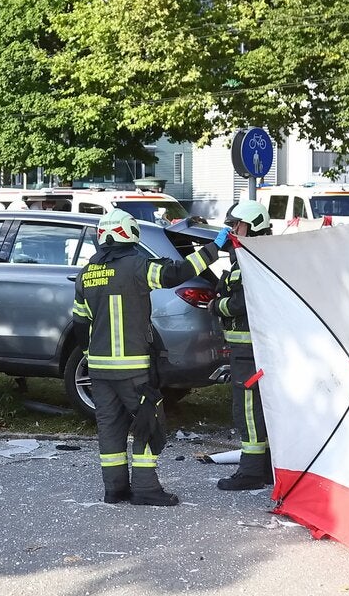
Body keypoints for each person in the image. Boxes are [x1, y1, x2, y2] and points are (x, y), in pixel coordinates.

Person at [72, 209, 229, 506]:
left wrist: (90, 356)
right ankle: (145, 489)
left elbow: (81, 323)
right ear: (129, 234)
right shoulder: (137, 266)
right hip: (134, 370)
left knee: (110, 427)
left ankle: (114, 490)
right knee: (149, 422)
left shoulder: (87, 274)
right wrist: (214, 248)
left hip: (100, 370)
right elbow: (176, 273)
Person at [210, 200, 274, 491]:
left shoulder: (251, 260)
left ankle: (251, 472)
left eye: (236, 225)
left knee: (248, 411)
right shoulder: (256, 256)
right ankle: (267, 468)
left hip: (249, 353)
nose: (232, 230)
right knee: (263, 410)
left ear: (252, 227)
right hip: (255, 350)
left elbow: (239, 304)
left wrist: (215, 304)